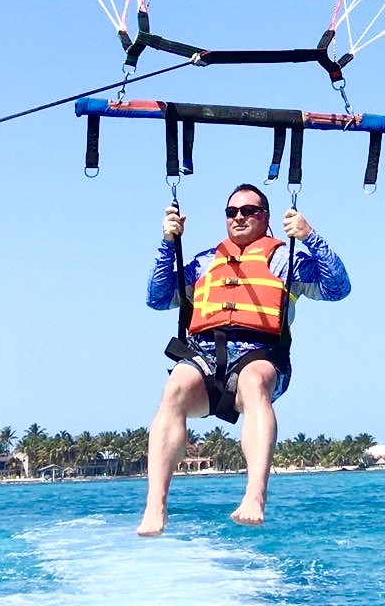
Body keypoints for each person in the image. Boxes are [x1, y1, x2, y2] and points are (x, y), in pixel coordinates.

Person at [136, 181, 350, 535]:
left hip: (260, 354)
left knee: (253, 383)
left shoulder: (286, 260)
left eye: (249, 211)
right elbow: (158, 298)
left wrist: (310, 235)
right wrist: (167, 244)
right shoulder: (205, 262)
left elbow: (338, 287)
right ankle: (156, 506)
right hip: (203, 357)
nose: (239, 217)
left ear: (265, 218)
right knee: (175, 386)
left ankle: (255, 496)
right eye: (232, 212)